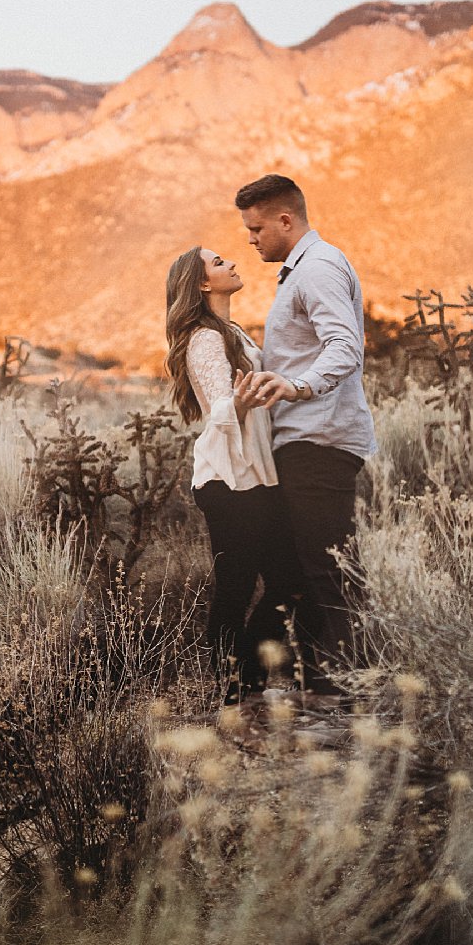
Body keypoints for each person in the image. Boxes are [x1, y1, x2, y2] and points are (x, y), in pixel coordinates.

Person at [234, 174, 376, 696]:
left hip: (318, 441)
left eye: (256, 228)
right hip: (303, 441)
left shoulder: (316, 268)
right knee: (303, 569)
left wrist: (296, 386)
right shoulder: (301, 271)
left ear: (285, 220)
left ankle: (340, 687)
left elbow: (345, 346)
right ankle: (308, 680)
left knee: (328, 572)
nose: (251, 240)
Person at [162, 244, 306, 703]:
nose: (231, 263)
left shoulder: (233, 331)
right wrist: (240, 403)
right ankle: (235, 687)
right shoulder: (206, 337)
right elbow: (220, 404)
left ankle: (247, 675)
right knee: (237, 588)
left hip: (255, 476)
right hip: (228, 481)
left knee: (288, 581)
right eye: (218, 262)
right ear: (203, 283)